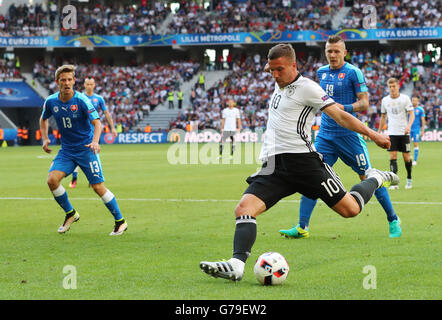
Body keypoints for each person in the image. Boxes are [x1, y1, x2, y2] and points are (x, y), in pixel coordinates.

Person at [199, 44, 399, 282]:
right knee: (244, 209)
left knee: (351, 210)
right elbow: (274, 63)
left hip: (305, 163)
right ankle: (236, 265)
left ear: (294, 66)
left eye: (279, 70)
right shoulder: (278, 78)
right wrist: (272, 65)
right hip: (275, 165)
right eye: (271, 70)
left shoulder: (308, 88)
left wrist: (374, 135)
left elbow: (341, 115)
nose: (274, 75)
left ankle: (376, 178)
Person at [279, 35, 401, 239]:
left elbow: (364, 104)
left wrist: (343, 108)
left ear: (344, 52)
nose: (332, 55)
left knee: (368, 176)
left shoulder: (354, 73)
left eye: (336, 51)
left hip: (349, 136)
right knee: (312, 177)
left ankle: (393, 219)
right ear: (325, 52)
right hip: (326, 136)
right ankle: (302, 227)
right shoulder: (321, 72)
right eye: (329, 51)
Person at [39, 64, 128, 236]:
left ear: (74, 81)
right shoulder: (51, 101)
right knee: (51, 180)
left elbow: (97, 123)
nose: (67, 83)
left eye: (70, 79)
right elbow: (43, 119)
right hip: (66, 151)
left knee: (97, 187)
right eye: (63, 80)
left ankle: (120, 221)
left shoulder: (82, 100)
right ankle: (71, 214)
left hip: (86, 149)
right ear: (57, 82)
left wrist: (95, 141)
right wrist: (44, 138)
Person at [70, 77, 118, 188]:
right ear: (84, 85)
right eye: (87, 84)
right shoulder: (79, 97)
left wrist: (113, 127)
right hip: (81, 132)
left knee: (95, 154)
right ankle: (74, 178)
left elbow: (106, 113)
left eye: (91, 84)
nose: (89, 86)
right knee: (77, 154)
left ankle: (95, 179)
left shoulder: (99, 98)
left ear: (94, 85)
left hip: (95, 131)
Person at [378, 77, 415, 189]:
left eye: (394, 86)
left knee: (406, 157)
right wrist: (379, 131)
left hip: (404, 132)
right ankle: (394, 182)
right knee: (392, 156)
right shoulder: (385, 100)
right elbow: (383, 116)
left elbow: (411, 114)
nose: (392, 88)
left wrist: (408, 126)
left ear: (398, 86)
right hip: (392, 132)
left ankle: (409, 179)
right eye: (390, 86)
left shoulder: (405, 99)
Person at [410, 96, 426, 166]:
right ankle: (409, 157)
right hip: (409, 129)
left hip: (416, 129)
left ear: (418, 101)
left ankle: (415, 160)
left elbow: (423, 120)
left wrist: (422, 130)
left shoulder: (420, 109)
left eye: (415, 100)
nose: (414, 102)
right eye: (413, 100)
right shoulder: (409, 109)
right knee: (407, 144)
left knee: (415, 144)